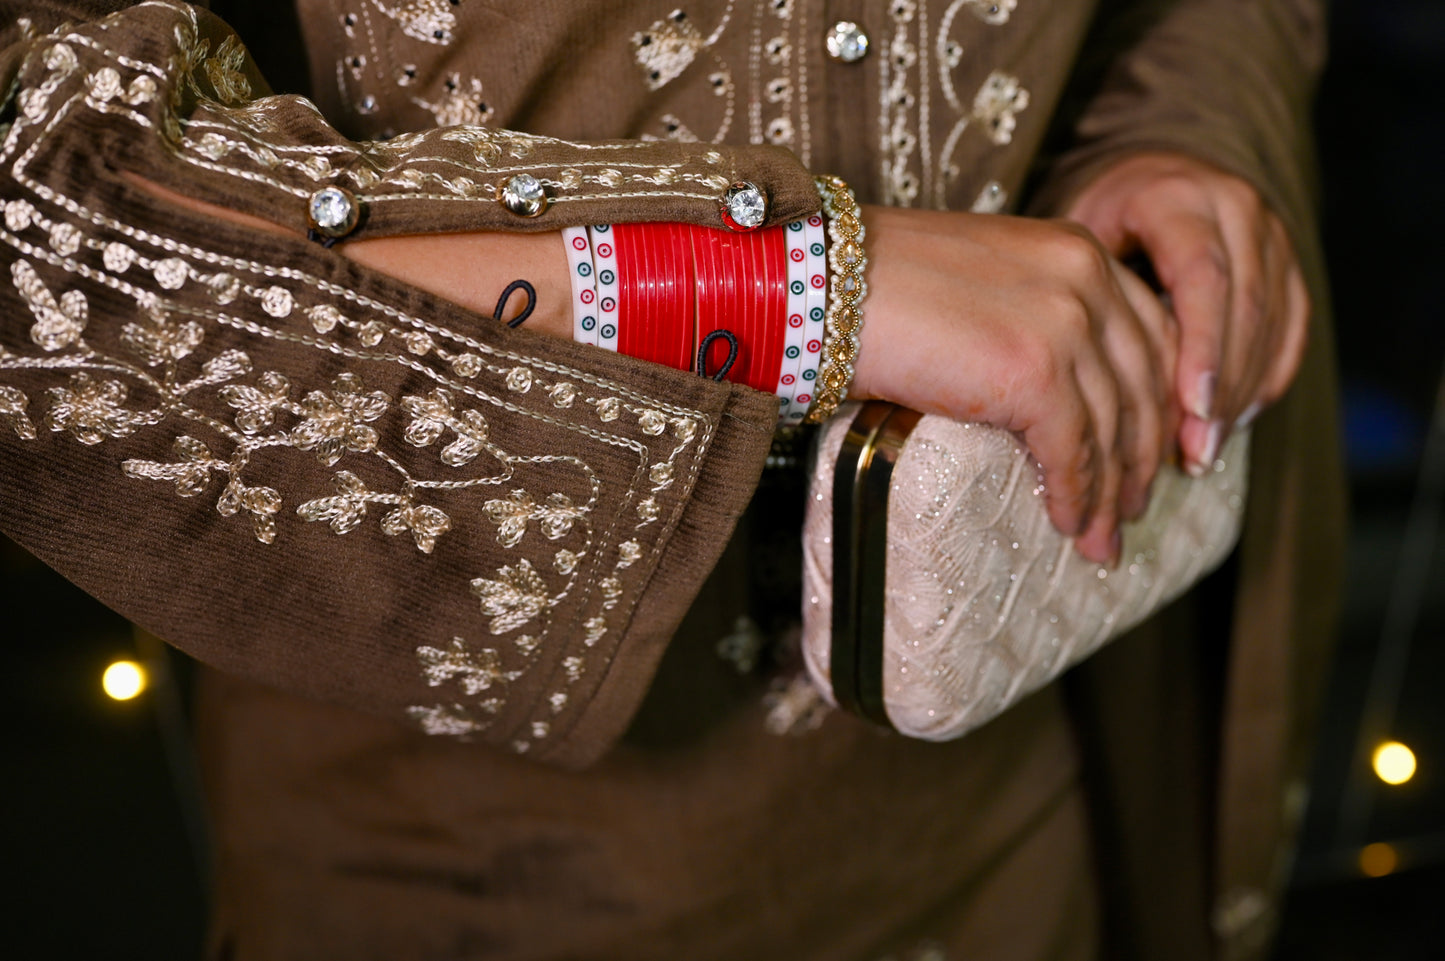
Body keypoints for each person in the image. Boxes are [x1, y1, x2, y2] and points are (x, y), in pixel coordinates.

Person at [0, 1, 1344, 958]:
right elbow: (35, 234)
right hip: (483, 873)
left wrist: (1181, 124)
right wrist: (791, 291)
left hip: (1016, 795)